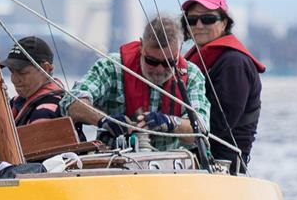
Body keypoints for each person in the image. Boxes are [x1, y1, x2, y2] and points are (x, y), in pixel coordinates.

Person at [60, 15, 210, 151]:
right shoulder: (112, 66)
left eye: (168, 63)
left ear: (178, 52)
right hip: (115, 164)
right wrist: (104, 120)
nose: (159, 70)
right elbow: (71, 102)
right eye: (152, 61)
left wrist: (170, 122)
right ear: (141, 46)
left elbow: (201, 129)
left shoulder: (191, 75)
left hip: (170, 168)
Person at [181, 0, 265, 173]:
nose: (199, 25)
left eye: (208, 19)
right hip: (191, 160)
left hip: (222, 167)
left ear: (224, 22)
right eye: (192, 20)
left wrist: (173, 128)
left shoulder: (234, 63)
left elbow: (220, 125)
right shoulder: (198, 58)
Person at [0, 36, 68, 142]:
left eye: (23, 73)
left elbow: (35, 146)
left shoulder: (49, 107)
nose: (14, 80)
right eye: (12, 72)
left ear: (46, 69)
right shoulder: (18, 102)